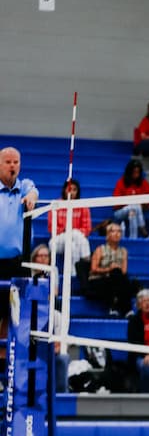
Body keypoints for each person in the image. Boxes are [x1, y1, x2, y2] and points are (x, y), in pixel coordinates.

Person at [29, 245, 69, 392]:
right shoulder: (27, 316)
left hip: (48, 349)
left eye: (47, 256)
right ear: (34, 258)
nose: (44, 259)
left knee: (62, 359)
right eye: (41, 256)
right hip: (34, 349)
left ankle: (61, 395)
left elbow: (58, 345)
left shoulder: (56, 316)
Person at [83, 222, 138, 316]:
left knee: (120, 276)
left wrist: (114, 270)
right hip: (99, 279)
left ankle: (115, 307)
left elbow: (124, 271)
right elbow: (93, 269)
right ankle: (126, 309)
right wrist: (109, 269)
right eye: (113, 231)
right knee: (117, 277)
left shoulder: (124, 251)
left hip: (117, 278)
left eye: (119, 232)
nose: (117, 234)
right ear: (107, 235)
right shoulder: (100, 249)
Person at [0, 146, 38, 278]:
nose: (12, 166)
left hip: (18, 262)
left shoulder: (24, 186)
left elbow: (33, 191)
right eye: (8, 162)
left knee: (18, 298)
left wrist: (31, 196)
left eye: (16, 162)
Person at [48, 178, 92, 263]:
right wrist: (65, 231)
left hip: (76, 239)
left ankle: (73, 273)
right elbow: (51, 228)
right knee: (76, 238)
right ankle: (86, 263)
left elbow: (87, 229)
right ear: (64, 190)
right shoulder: (56, 204)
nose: (71, 192)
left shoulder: (83, 206)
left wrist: (72, 232)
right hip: (58, 240)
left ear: (78, 191)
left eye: (74, 190)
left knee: (71, 245)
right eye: (69, 189)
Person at [112, 159, 149, 238]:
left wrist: (143, 204)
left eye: (138, 172)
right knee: (134, 206)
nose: (136, 174)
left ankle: (133, 238)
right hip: (120, 212)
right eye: (134, 172)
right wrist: (130, 202)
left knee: (133, 211)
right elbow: (116, 204)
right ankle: (142, 228)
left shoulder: (144, 183)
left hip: (135, 211)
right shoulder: (121, 183)